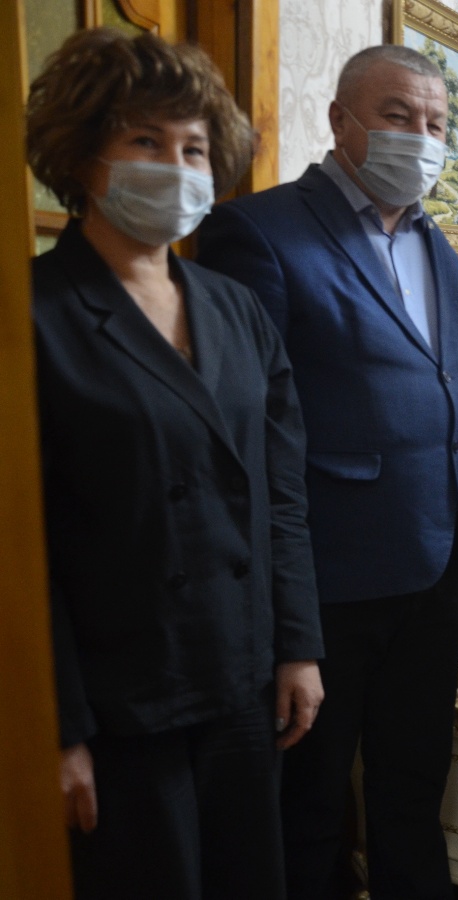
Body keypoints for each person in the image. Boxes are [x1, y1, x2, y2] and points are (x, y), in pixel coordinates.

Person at [27, 28, 324, 900]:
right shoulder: (32, 316)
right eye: (145, 141)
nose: (177, 166)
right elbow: (22, 550)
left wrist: (298, 648)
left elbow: (281, 495)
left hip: (243, 680)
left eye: (193, 147)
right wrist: (56, 728)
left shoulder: (236, 309)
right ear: (83, 157)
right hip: (121, 701)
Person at [195, 44, 458, 900]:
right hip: (328, 577)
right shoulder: (259, 232)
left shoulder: (436, 243)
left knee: (412, 792)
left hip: (438, 569)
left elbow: (451, 387)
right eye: (398, 116)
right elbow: (246, 427)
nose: (420, 138)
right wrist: (287, 618)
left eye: (435, 123)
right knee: (312, 807)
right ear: (341, 120)